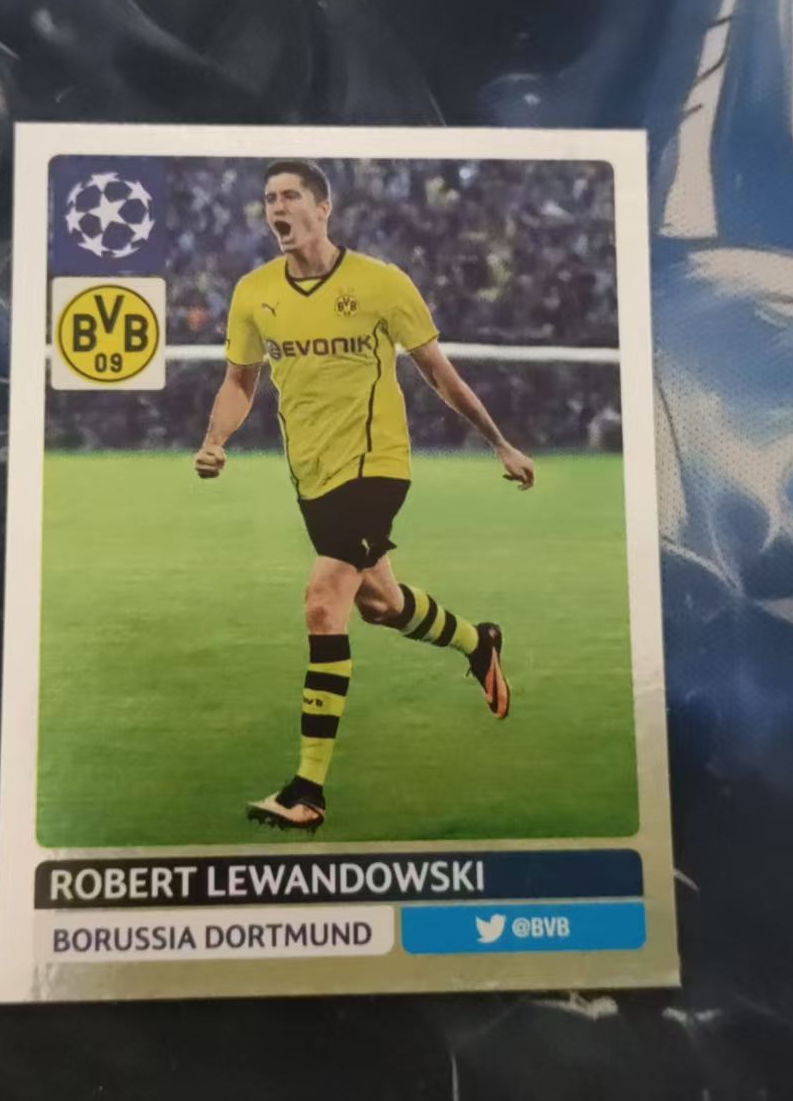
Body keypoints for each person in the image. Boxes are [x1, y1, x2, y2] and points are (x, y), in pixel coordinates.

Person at [193, 160, 536, 831]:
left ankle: (307, 791)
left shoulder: (381, 283)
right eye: (269, 198)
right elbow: (239, 380)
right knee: (381, 604)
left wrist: (499, 441)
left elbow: (437, 371)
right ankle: (478, 641)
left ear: (323, 208)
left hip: (377, 465)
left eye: (291, 195)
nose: (277, 207)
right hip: (312, 475)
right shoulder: (254, 292)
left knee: (324, 603)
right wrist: (215, 440)